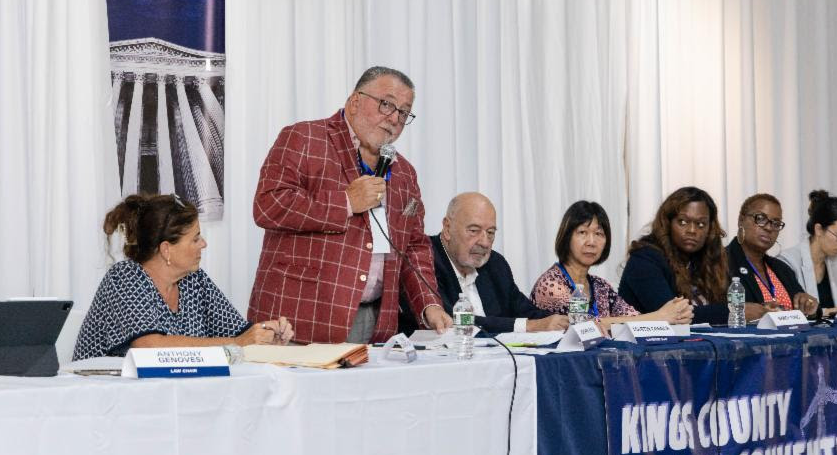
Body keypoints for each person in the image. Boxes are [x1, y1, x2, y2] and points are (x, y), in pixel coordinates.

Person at [247, 67, 452, 344]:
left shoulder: (403, 172)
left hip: (376, 322)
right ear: (355, 101)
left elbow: (414, 246)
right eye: (386, 104)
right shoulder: (304, 138)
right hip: (300, 318)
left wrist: (429, 304)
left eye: (404, 113)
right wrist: (345, 202)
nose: (394, 118)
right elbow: (269, 205)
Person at [73, 193, 293, 360]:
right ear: (167, 249)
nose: (204, 244)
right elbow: (149, 347)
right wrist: (237, 343)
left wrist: (266, 335)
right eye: (195, 239)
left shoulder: (194, 280)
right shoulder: (125, 277)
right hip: (107, 403)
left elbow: (240, 333)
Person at [402, 192, 568, 336]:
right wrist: (530, 326)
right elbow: (454, 320)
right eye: (474, 231)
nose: (484, 242)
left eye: (490, 233)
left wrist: (568, 324)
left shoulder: (496, 264)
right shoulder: (424, 259)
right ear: (447, 228)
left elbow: (527, 311)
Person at [620, 186, 769, 325]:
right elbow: (674, 316)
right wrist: (735, 311)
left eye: (701, 224)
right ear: (667, 223)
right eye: (683, 222)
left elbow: (721, 304)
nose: (692, 230)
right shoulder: (645, 260)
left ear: (710, 229)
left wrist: (762, 310)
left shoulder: (705, 260)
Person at [531, 200, 693, 328]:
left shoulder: (601, 286)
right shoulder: (551, 284)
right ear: (567, 237)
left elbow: (633, 318)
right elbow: (585, 327)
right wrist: (660, 316)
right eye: (582, 233)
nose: (591, 242)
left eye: (599, 234)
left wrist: (677, 311)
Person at [727, 193, 819, 316]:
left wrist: (810, 305)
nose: (769, 228)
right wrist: (736, 311)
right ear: (741, 220)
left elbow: (808, 308)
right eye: (760, 219)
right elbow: (703, 311)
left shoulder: (782, 269)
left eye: (776, 223)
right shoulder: (720, 263)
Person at [777, 190, 837, 310]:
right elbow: (789, 310)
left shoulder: (835, 261)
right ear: (819, 229)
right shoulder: (787, 262)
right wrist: (834, 311)